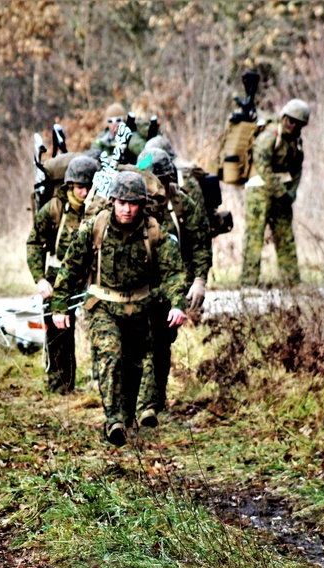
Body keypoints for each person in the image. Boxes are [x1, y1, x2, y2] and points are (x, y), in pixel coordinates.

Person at [50, 171, 187, 445]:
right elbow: (70, 266)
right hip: (103, 305)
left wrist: (178, 304)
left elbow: (174, 272)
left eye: (133, 203)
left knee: (133, 364)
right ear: (112, 201)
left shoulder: (153, 231)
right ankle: (113, 420)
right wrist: (59, 305)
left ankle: (125, 417)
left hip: (139, 307)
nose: (127, 209)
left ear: (142, 204)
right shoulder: (95, 227)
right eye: (122, 202)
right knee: (109, 356)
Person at [135, 147, 210, 426]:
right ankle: (143, 403)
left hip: (172, 283)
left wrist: (199, 280)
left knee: (161, 343)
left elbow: (200, 244)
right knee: (138, 342)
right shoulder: (131, 203)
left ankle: (157, 399)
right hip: (138, 284)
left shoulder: (182, 204)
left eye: (159, 181)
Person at [26, 155, 99, 394]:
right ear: (69, 186)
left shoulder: (103, 209)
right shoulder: (55, 208)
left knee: (101, 329)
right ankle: (60, 386)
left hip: (94, 276)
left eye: (89, 187)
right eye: (80, 187)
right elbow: (35, 242)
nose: (85, 192)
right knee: (57, 333)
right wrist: (40, 278)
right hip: (58, 275)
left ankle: (104, 384)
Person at [241, 98, 308, 287]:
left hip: (281, 193)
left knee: (285, 236)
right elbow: (263, 168)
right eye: (291, 121)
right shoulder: (268, 137)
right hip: (259, 192)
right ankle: (248, 282)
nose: (293, 126)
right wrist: (282, 192)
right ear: (284, 117)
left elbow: (297, 169)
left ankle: (292, 281)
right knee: (254, 236)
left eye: (298, 123)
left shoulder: (296, 142)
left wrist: (292, 192)